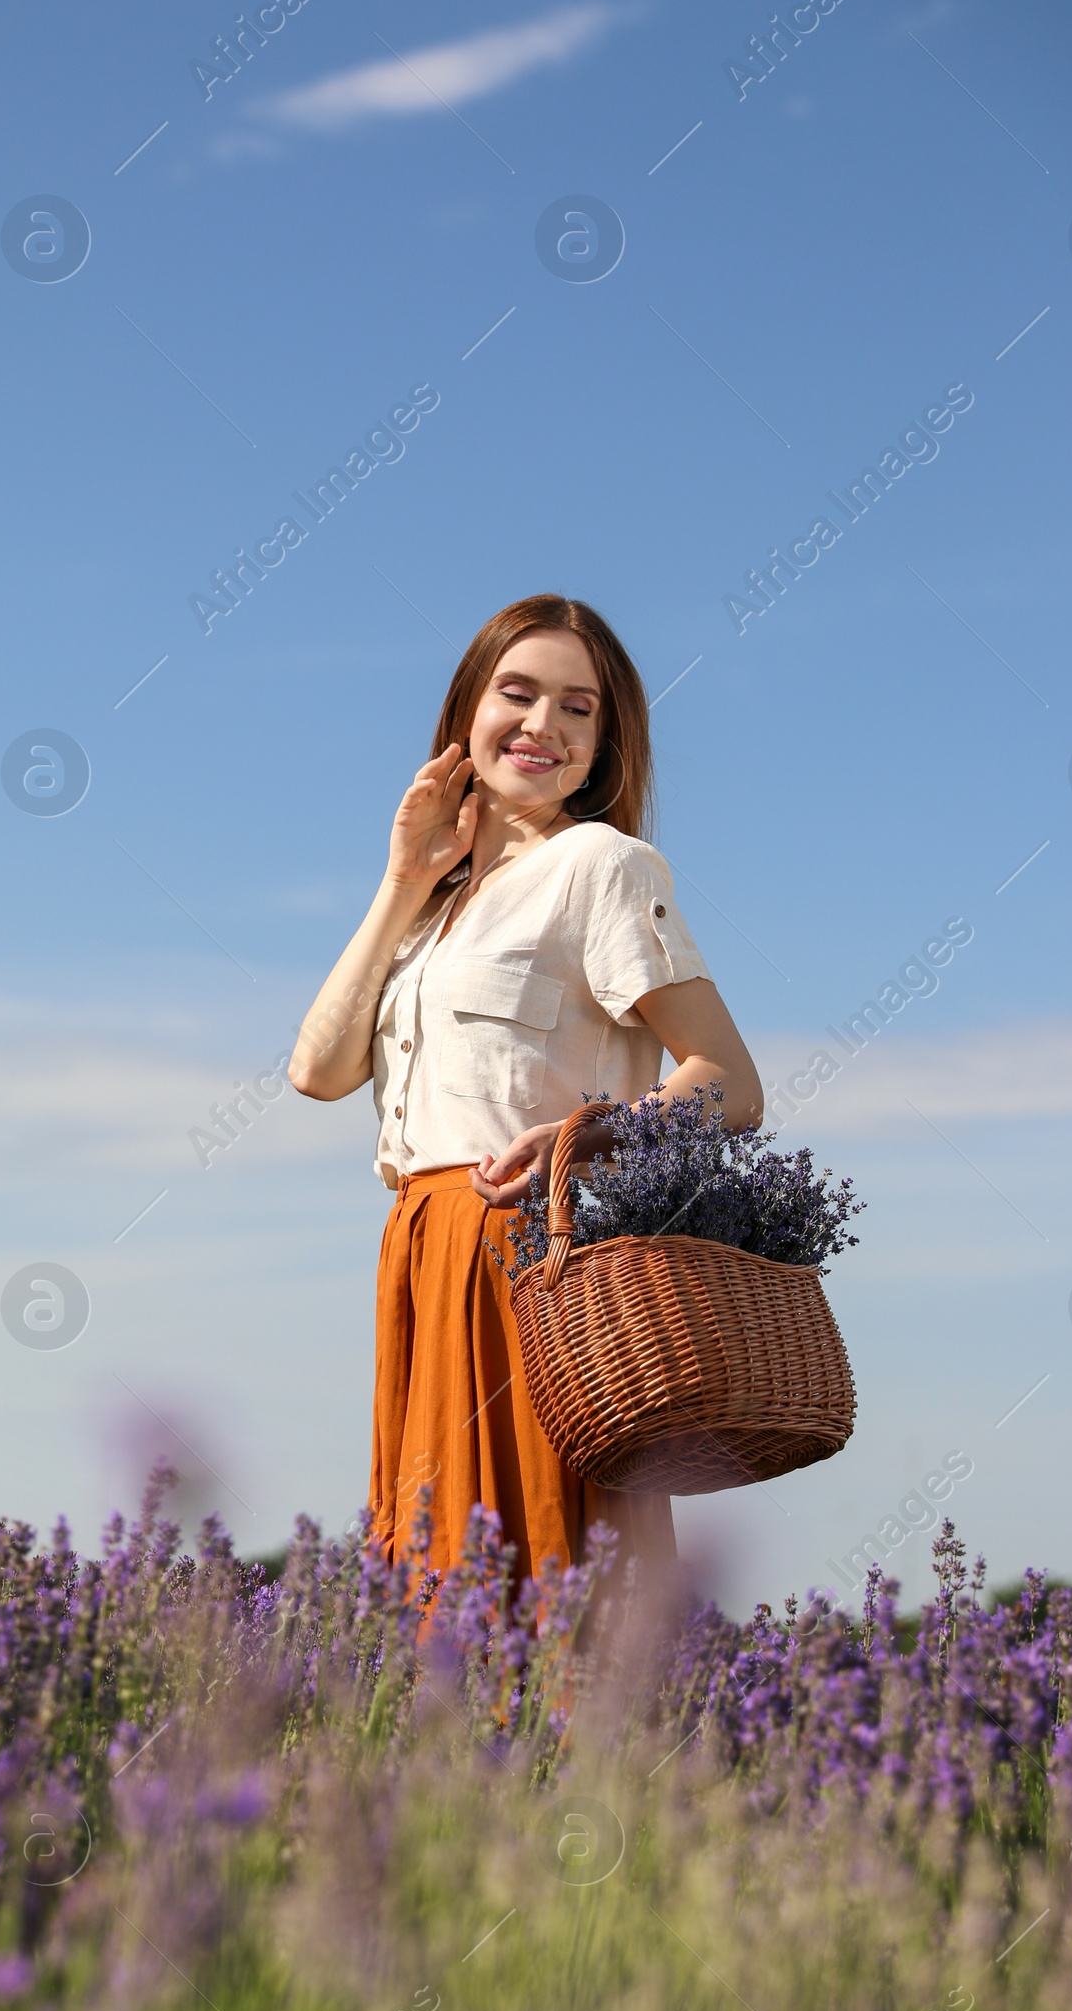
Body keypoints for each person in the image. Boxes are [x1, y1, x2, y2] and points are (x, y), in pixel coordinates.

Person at [289, 594, 764, 1588]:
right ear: (467, 711)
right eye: (518, 693)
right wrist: (402, 881)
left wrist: (585, 1138)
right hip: (422, 1251)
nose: (543, 725)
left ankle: (584, 1743)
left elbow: (730, 1084)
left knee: (547, 1558)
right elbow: (316, 1072)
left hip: (534, 1251)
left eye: (578, 709)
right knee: (431, 1571)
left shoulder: (603, 866)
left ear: (604, 744)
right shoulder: (429, 909)